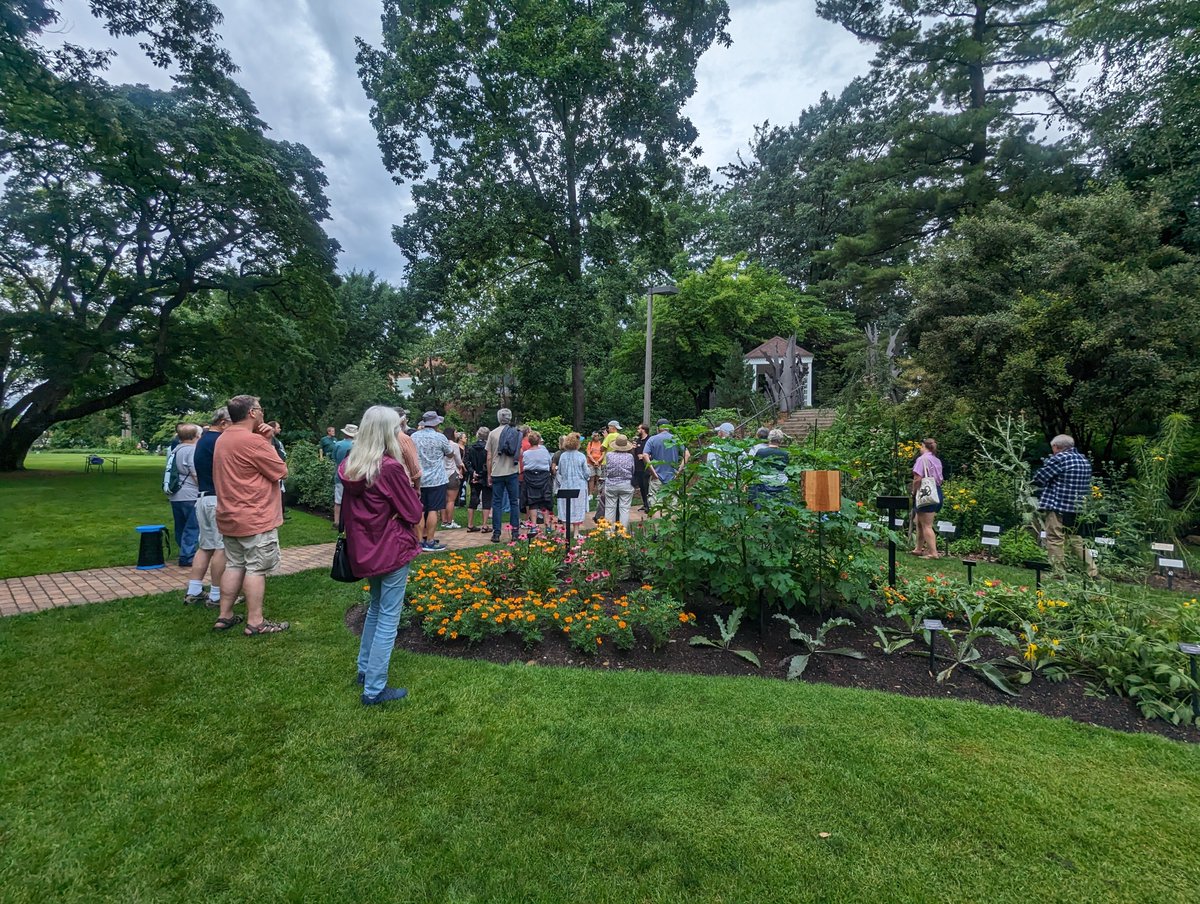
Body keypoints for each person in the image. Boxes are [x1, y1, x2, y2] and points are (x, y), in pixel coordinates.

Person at [339, 405, 424, 706]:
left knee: (375, 608)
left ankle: (365, 670)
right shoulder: (388, 468)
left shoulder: (352, 464)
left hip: (365, 548)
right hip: (390, 548)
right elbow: (413, 512)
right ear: (388, 431)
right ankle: (374, 688)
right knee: (388, 616)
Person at [212, 395, 290, 635]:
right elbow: (281, 471)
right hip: (254, 516)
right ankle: (256, 622)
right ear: (252, 413)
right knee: (256, 569)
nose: (263, 414)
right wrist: (267, 441)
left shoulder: (223, 438)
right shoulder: (252, 441)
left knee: (235, 564)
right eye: (261, 409)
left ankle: (224, 616)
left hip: (229, 515)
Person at [184, 408, 231, 607]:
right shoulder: (218, 440)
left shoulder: (202, 439)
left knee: (206, 547)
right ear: (222, 423)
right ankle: (216, 594)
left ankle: (193, 590)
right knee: (222, 547)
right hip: (216, 499)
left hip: (202, 498)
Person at [1033, 434, 1097, 575]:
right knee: (1076, 540)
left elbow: (1040, 477)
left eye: (1053, 448)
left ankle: (1059, 572)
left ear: (1057, 447)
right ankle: (1091, 570)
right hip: (1076, 507)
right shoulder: (1083, 460)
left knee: (1055, 538)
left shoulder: (1060, 459)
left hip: (1058, 506)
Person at [411, 411, 452, 552]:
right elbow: (450, 453)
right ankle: (430, 540)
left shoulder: (414, 436)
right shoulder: (440, 438)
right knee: (433, 510)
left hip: (419, 479)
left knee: (420, 510)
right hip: (437, 479)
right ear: (436, 424)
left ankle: (418, 540)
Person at [485, 407, 521, 543]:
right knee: (514, 502)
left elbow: (489, 456)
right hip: (512, 471)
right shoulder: (516, 432)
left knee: (497, 503)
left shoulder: (493, 434)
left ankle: (496, 533)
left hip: (497, 471)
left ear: (499, 418)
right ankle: (515, 532)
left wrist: (489, 473)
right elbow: (519, 453)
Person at [168, 424, 201, 568]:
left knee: (180, 526)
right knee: (192, 526)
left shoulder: (174, 451)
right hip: (190, 494)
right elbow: (194, 472)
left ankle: (183, 551)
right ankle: (187, 556)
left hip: (176, 494)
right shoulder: (192, 451)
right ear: (195, 436)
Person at [641, 419, 689, 513]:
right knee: (673, 507)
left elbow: (644, 455)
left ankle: (657, 527)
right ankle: (672, 527)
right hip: (672, 478)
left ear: (658, 428)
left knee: (655, 507)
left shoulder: (652, 439)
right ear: (669, 428)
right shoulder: (676, 439)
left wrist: (653, 472)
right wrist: (678, 472)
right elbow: (687, 454)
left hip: (657, 478)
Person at [909, 438, 944, 559]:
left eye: (921, 446)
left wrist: (913, 492)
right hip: (936, 491)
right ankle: (918, 548)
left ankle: (933, 553)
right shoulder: (937, 460)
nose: (920, 448)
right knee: (918, 522)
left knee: (927, 525)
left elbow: (917, 478)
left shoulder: (922, 459)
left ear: (924, 446)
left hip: (925, 493)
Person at [553, 432, 591, 526]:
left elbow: (560, 471)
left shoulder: (563, 456)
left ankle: (565, 530)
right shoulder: (581, 456)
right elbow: (586, 473)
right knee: (578, 507)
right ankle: (576, 533)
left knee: (565, 507)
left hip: (566, 485)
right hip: (579, 485)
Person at [521, 431, 555, 535]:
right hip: (544, 477)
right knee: (544, 500)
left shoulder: (526, 453)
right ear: (539, 440)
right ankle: (547, 525)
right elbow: (549, 462)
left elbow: (524, 464)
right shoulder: (544, 451)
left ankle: (534, 526)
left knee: (532, 501)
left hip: (530, 478)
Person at [602, 434, 637, 529]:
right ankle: (622, 533)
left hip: (611, 484)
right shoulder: (630, 456)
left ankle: (609, 533)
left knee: (609, 509)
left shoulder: (609, 455)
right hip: (626, 484)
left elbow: (606, 468)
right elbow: (633, 470)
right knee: (624, 509)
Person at [750, 429, 790, 506]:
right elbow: (785, 467)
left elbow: (755, 466)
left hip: (763, 484)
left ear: (769, 439)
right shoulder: (784, 454)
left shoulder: (761, 452)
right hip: (780, 483)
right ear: (780, 440)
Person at [465, 427, 491, 532]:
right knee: (487, 500)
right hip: (485, 476)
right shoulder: (488, 448)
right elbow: (488, 462)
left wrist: (472, 472)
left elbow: (466, 461)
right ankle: (485, 525)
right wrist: (484, 473)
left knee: (473, 499)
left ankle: (470, 524)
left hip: (474, 477)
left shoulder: (471, 447)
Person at [331, 424, 356, 527]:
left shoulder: (338, 444)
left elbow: (334, 458)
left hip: (340, 475)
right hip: (354, 476)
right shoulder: (357, 445)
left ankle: (337, 521)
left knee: (338, 500)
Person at [441, 425, 464, 529]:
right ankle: (450, 522)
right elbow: (458, 460)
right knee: (451, 500)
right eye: (455, 432)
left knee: (443, 499)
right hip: (451, 472)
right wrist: (462, 467)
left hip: (441, 473)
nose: (456, 434)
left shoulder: (441, 443)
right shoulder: (454, 445)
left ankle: (444, 520)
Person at [267, 420, 287, 519]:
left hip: (279, 469)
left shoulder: (275, 441)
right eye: (278, 427)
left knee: (280, 491)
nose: (280, 429)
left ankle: (280, 512)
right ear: (272, 428)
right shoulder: (270, 441)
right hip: (275, 471)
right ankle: (276, 513)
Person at [632, 423, 651, 512]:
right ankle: (644, 504)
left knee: (646, 486)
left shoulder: (650, 440)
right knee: (641, 487)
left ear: (643, 429)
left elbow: (653, 453)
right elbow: (634, 454)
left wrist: (645, 456)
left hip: (646, 467)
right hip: (638, 467)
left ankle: (649, 505)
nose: (637, 430)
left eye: (639, 429)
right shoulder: (638, 440)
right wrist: (633, 448)